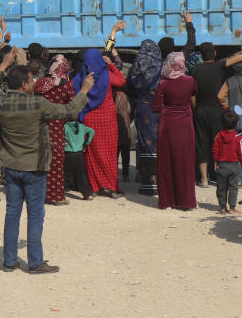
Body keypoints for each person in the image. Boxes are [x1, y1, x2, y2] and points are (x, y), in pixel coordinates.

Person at [0, 47, 93, 273]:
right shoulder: (38, 104)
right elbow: (70, 110)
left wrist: (4, 65)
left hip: (11, 166)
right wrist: (83, 90)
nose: (35, 81)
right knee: (35, 215)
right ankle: (34, 262)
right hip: (34, 167)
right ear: (24, 85)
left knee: (12, 213)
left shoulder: (2, 103)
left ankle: (9, 260)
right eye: (32, 79)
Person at [190, 43, 242, 187]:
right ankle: (219, 177)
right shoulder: (219, 66)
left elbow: (193, 95)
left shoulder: (195, 70)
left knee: (202, 143)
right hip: (217, 110)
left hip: (201, 110)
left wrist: (196, 109)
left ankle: (204, 179)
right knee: (218, 143)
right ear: (214, 53)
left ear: (201, 55)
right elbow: (240, 57)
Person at [76, 46, 127, 198]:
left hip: (89, 119)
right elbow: (122, 81)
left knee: (91, 154)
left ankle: (95, 186)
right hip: (108, 119)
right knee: (109, 154)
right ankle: (111, 187)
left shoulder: (82, 78)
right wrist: (111, 64)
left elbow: (73, 91)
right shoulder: (107, 75)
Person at [152, 52, 198, 210]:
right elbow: (192, 96)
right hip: (186, 126)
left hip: (168, 126)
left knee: (167, 164)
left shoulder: (163, 84)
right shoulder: (191, 81)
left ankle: (167, 201)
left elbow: (156, 107)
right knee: (185, 162)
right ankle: (187, 202)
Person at [32, 55, 76, 205]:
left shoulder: (41, 83)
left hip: (40, 126)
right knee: (56, 161)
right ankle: (56, 196)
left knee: (41, 161)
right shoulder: (67, 86)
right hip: (57, 126)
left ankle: (39, 194)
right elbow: (72, 107)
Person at [129, 39, 164, 196]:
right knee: (159, 142)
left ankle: (147, 183)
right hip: (159, 106)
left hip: (143, 106)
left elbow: (132, 83)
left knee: (144, 142)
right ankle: (160, 180)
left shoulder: (138, 62)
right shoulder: (162, 64)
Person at [212, 111, 242, 214]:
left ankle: (222, 207)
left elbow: (215, 149)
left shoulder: (219, 135)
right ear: (236, 124)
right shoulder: (238, 137)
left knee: (221, 187)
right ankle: (232, 208)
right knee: (233, 187)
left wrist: (215, 161)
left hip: (222, 165)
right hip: (234, 166)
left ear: (222, 123)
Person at [63, 119, 95, 200]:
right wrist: (86, 143)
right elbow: (92, 131)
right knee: (82, 175)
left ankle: (60, 194)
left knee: (65, 175)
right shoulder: (82, 126)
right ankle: (88, 194)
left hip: (68, 154)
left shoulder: (65, 127)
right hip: (79, 154)